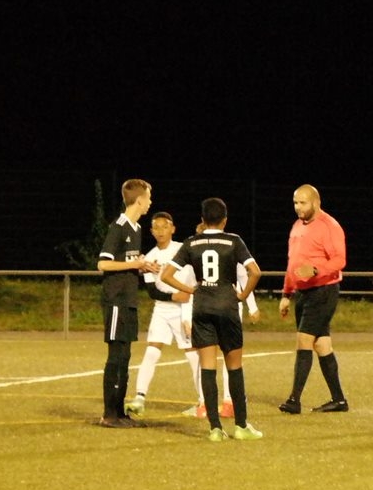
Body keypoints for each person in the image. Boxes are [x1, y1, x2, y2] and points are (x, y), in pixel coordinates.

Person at [161, 197, 263, 442]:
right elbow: (255, 272)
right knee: (234, 366)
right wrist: (243, 296)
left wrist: (192, 290)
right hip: (227, 306)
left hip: (202, 307)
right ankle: (241, 426)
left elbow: (166, 275)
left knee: (208, 366)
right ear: (225, 220)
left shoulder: (192, 242)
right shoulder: (233, 240)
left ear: (203, 219)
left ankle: (215, 428)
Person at [125, 211, 205, 418]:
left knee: (192, 354)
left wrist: (188, 310)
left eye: (165, 226)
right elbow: (152, 291)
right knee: (151, 351)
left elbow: (193, 280)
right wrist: (173, 296)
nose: (160, 230)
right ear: (151, 231)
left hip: (184, 309)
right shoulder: (149, 258)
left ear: (173, 229)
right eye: (156, 227)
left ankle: (204, 403)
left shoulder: (182, 250)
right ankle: (139, 398)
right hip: (162, 309)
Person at [278, 184, 349, 414]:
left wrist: (316, 270)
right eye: (295, 203)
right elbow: (293, 262)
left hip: (323, 291)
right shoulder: (297, 226)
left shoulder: (329, 225)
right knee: (321, 345)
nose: (298, 207)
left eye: (303, 203)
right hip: (303, 293)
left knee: (304, 340)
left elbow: (340, 260)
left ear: (316, 202)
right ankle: (339, 400)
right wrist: (286, 293)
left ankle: (294, 400)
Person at [96, 178, 153, 428]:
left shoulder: (136, 228)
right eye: (148, 197)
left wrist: (143, 266)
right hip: (116, 300)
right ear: (139, 200)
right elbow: (103, 263)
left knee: (126, 357)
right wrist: (135, 264)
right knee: (116, 356)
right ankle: (109, 414)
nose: (150, 202)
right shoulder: (118, 227)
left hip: (129, 300)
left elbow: (129, 263)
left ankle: (119, 413)